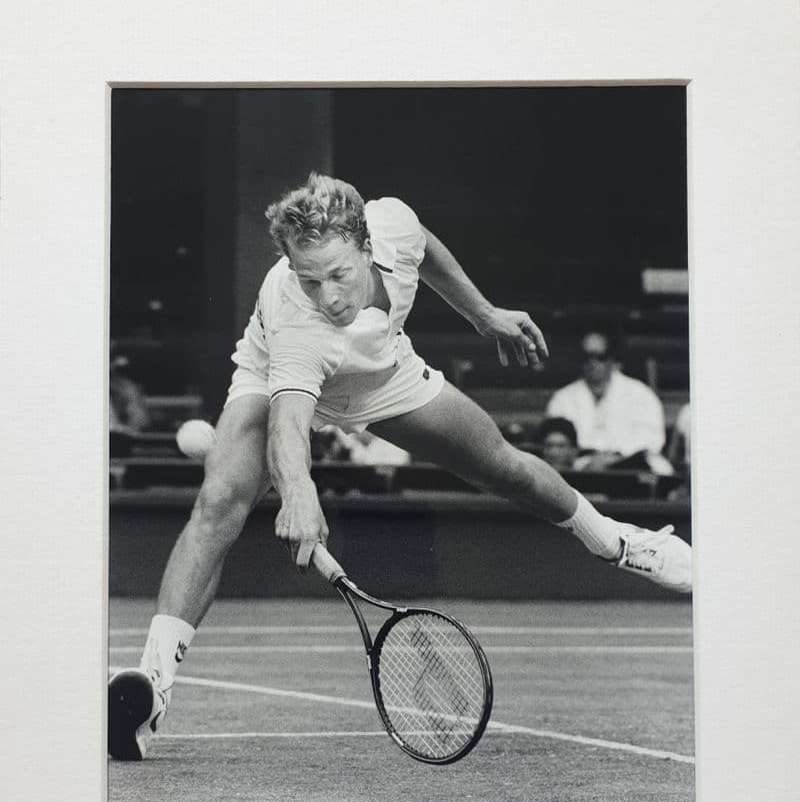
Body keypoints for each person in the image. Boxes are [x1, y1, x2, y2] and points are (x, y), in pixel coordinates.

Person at [108, 173, 692, 761]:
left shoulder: (392, 224)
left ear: (367, 247)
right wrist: (298, 491)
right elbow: (289, 423)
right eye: (309, 280)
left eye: (339, 274)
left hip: (384, 375)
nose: (329, 296)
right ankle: (151, 686)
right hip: (278, 382)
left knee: (502, 466)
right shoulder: (299, 323)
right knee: (220, 504)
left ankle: (619, 542)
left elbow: (427, 248)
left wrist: (484, 314)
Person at [545, 331, 670, 473]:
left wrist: (612, 459)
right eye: (587, 357)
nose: (593, 363)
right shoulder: (562, 398)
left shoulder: (641, 394)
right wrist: (589, 461)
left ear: (611, 359)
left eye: (600, 357)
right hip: (580, 468)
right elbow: (555, 442)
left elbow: (652, 440)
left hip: (630, 466)